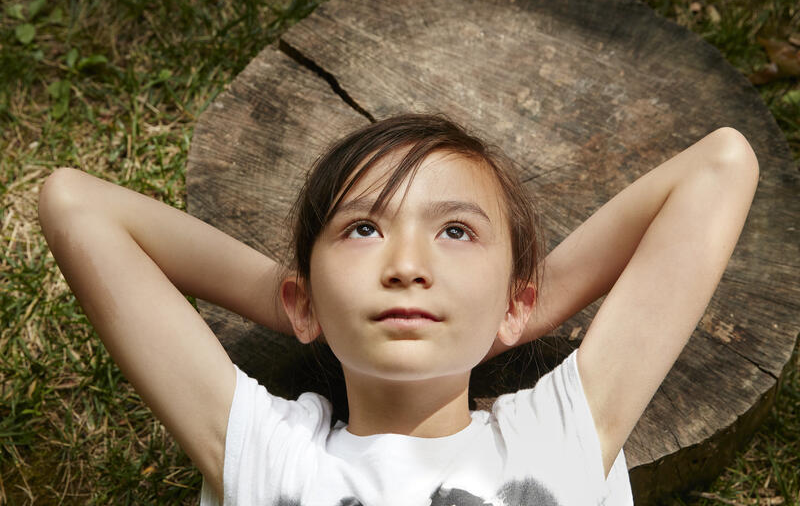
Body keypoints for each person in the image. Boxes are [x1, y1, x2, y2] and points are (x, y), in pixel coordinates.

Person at [38, 113, 759, 505]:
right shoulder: (266, 452)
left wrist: (526, 309)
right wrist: (302, 302)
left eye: (454, 232)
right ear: (305, 294)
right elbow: (75, 204)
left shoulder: (562, 431)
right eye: (363, 229)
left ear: (516, 300)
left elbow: (722, 164)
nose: (407, 267)